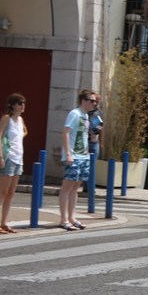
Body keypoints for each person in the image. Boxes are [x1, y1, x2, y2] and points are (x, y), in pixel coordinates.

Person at [0, 93, 28, 234]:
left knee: (11, 192)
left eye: (23, 103)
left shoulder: (20, 120)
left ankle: (4, 222)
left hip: (18, 158)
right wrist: (0, 156)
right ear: (12, 105)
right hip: (8, 157)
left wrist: (18, 138)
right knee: (2, 191)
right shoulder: (6, 118)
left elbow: (24, 132)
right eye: (19, 103)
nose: (22, 106)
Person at [58, 89, 96, 231]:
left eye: (95, 101)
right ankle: (63, 219)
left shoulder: (85, 116)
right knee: (67, 187)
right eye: (92, 101)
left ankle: (72, 217)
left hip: (83, 156)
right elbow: (66, 133)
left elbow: (82, 134)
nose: (94, 103)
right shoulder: (74, 114)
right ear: (84, 101)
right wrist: (68, 153)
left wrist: (91, 140)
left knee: (76, 187)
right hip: (74, 156)